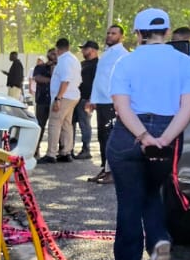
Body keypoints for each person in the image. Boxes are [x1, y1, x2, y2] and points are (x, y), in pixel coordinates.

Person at [109, 7, 190, 260]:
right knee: (152, 190)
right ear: (168, 32)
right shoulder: (186, 63)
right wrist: (164, 139)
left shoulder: (125, 62)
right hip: (168, 131)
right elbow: (189, 106)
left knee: (128, 200)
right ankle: (159, 236)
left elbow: (121, 108)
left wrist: (144, 137)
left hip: (129, 134)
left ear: (138, 34)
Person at [87, 23, 128, 183]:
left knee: (111, 137)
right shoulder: (106, 54)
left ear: (121, 36)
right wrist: (93, 99)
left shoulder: (123, 54)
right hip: (101, 101)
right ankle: (105, 169)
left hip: (112, 102)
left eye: (113, 33)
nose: (109, 36)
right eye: (108, 33)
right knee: (102, 137)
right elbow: (100, 79)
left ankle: (113, 173)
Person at [43, 37, 79, 162]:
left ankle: (51, 154)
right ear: (68, 47)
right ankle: (66, 152)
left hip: (63, 96)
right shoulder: (74, 59)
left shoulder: (64, 61)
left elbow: (65, 80)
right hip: (72, 96)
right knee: (66, 124)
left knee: (54, 123)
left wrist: (58, 98)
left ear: (58, 49)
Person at [75, 40, 99, 159]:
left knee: (85, 124)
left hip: (87, 98)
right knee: (74, 123)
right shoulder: (83, 63)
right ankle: (68, 149)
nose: (82, 51)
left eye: (85, 48)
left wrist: (92, 99)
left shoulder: (97, 64)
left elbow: (97, 83)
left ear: (93, 50)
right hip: (76, 97)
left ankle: (86, 149)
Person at [32, 47, 55, 155]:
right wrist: (51, 80)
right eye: (51, 54)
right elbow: (37, 78)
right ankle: (35, 148)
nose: (53, 56)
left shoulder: (59, 67)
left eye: (55, 54)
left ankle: (55, 151)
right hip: (42, 100)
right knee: (40, 125)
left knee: (55, 126)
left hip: (55, 101)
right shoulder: (40, 67)